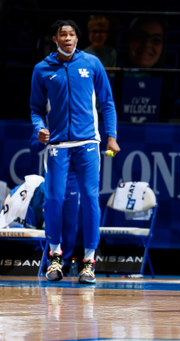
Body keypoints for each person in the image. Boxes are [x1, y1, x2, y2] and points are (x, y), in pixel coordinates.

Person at [30, 19, 121, 284]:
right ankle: (55, 256)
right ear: (55, 40)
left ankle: (89, 260)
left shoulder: (92, 63)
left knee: (90, 199)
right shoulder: (42, 70)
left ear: (77, 39)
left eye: (72, 34)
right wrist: (39, 128)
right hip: (58, 146)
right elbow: (36, 108)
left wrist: (111, 136)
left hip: (88, 145)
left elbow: (107, 102)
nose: (68, 38)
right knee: (54, 200)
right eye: (63, 35)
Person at [29, 129, 79, 276]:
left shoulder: (78, 119)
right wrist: (41, 139)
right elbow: (34, 146)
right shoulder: (46, 122)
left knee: (70, 223)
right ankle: (52, 260)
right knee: (53, 218)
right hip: (54, 176)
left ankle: (66, 262)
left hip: (73, 178)